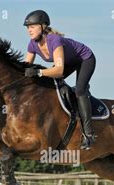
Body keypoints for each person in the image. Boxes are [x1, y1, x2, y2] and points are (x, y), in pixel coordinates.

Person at [23, 10, 97, 150]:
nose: (29, 30)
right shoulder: (32, 44)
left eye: (32, 26)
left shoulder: (54, 40)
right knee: (50, 82)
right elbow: (25, 67)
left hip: (85, 59)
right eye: (27, 27)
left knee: (80, 89)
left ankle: (89, 133)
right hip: (69, 61)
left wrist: (38, 72)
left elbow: (59, 70)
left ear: (43, 26)